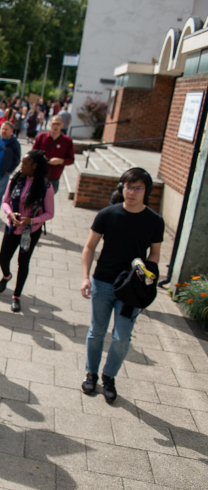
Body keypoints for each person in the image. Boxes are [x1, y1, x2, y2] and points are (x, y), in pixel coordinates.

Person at [80, 168, 163, 403]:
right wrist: (85, 277)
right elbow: (89, 247)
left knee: (122, 337)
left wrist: (147, 272)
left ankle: (109, 376)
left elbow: (155, 254)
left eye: (138, 188)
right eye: (128, 187)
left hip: (131, 288)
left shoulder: (154, 221)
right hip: (103, 281)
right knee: (97, 331)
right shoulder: (107, 214)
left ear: (146, 191)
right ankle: (91, 373)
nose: (132, 192)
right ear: (122, 188)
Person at [0, 151, 55, 313]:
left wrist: (32, 220)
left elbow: (49, 213)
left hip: (30, 231)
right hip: (12, 227)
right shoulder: (15, 180)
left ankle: (16, 296)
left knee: (23, 263)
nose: (21, 166)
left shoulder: (45, 187)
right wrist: (9, 213)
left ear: (35, 166)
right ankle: (7, 276)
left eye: (24, 164)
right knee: (3, 258)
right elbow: (5, 201)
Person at [33, 115, 74, 194]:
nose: (56, 126)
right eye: (54, 123)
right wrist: (41, 157)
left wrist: (60, 161)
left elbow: (71, 160)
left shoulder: (67, 141)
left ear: (62, 125)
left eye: (58, 124)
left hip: (54, 177)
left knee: (47, 203)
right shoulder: (41, 137)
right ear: (50, 124)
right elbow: (33, 153)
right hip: (39, 175)